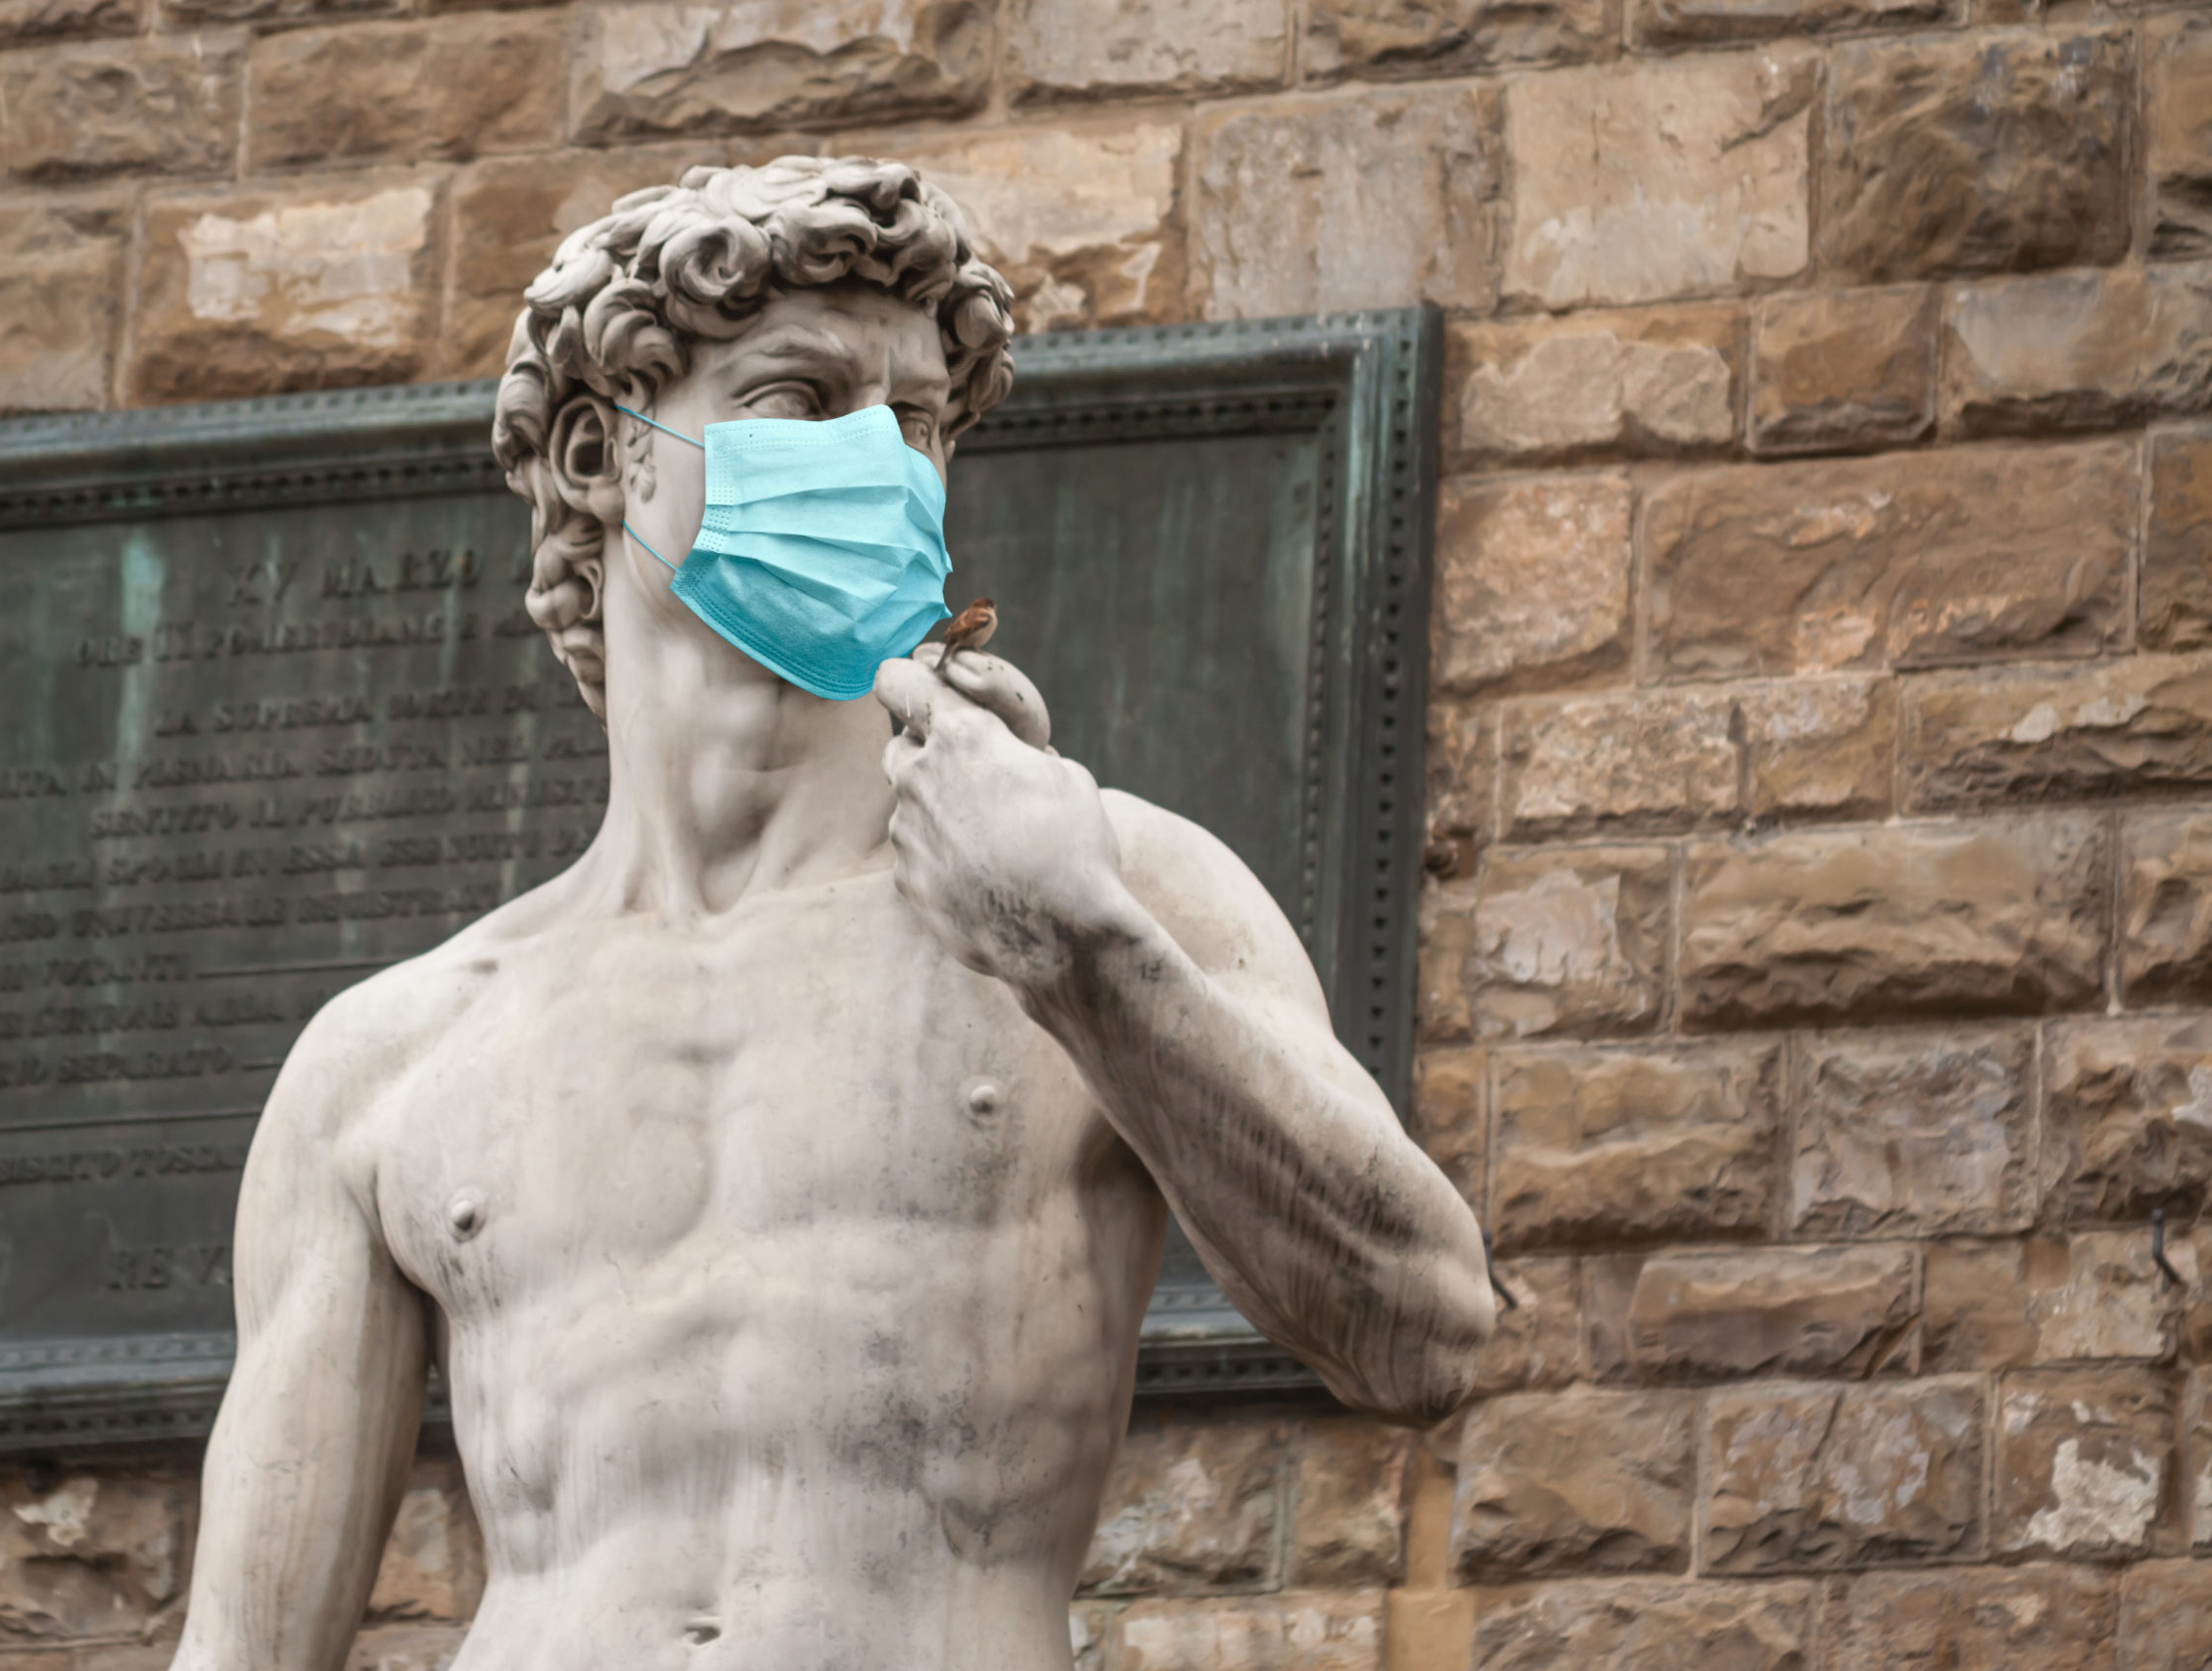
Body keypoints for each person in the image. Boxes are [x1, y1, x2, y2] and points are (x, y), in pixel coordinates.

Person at [169, 155, 1493, 1671]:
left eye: (920, 420)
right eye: (802, 404)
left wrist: (1087, 963)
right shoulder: (389, 1061)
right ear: (606, 457)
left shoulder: (1107, 881)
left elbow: (1424, 1331)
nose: (884, 461)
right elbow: (244, 1650)